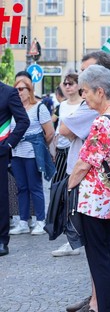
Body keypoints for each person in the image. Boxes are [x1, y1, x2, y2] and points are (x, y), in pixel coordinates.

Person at [68, 64, 110, 312]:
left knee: (99, 261)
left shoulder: (101, 123)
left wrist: (68, 187)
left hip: (93, 200)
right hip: (109, 198)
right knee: (107, 259)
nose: (84, 96)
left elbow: (83, 164)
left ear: (100, 91)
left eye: (86, 91)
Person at [9, 77, 55, 236]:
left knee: (35, 187)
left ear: (30, 91)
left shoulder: (39, 108)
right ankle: (23, 221)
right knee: (21, 188)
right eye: (16, 90)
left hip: (31, 153)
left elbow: (50, 133)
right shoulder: (13, 109)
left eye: (22, 89)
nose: (19, 92)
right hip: (16, 153)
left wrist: (39, 147)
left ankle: (40, 220)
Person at [0, 81, 29, 256]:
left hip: (0, 151)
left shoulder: (8, 92)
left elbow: (23, 121)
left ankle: (2, 240)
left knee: (1, 197)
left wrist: (9, 144)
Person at [51, 73, 83, 184]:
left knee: (72, 181)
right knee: (57, 182)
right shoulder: (63, 105)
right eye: (65, 84)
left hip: (74, 148)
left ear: (79, 85)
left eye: (71, 83)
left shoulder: (83, 104)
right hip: (60, 147)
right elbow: (58, 127)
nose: (67, 86)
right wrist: (53, 148)